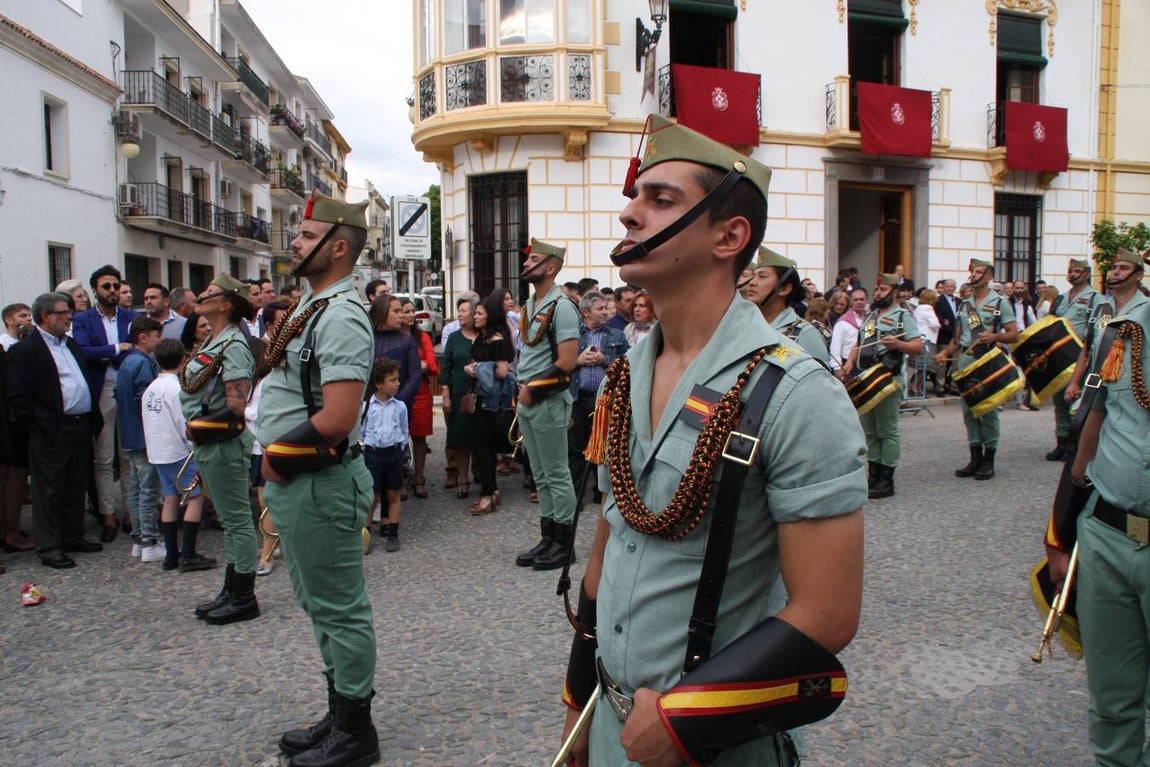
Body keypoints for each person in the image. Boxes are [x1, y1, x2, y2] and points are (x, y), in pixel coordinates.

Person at [560, 114, 865, 766]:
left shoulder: (796, 391)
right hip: (613, 720)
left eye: (660, 198)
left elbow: (829, 612)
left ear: (730, 236)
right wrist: (578, 687)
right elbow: (611, 541)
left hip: (710, 743)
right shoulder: (629, 370)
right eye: (636, 196)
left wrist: (682, 721)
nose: (629, 214)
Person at [258, 192, 379, 766]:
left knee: (339, 607)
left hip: (317, 478)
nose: (295, 242)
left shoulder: (342, 314)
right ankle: (339, 710)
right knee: (316, 601)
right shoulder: (313, 306)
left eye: (306, 237)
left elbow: (337, 418)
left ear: (336, 246)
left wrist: (277, 455)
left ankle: (356, 732)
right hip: (298, 478)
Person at [1054, 248, 1150, 767]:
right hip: (1108, 533)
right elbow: (1092, 423)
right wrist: (1064, 531)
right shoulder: (1125, 329)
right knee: (1111, 699)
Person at [179, 274, 260, 625]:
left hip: (221, 443)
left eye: (209, 293)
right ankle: (231, 589)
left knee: (237, 521)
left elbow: (236, 406)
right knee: (230, 520)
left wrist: (198, 426)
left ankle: (244, 595)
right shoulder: (215, 340)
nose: (200, 295)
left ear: (226, 303)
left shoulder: (233, 345)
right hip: (210, 443)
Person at [6, 292, 103, 569]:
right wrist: (40, 426)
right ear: (46, 316)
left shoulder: (70, 345)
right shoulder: (26, 350)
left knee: (75, 485)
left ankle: (73, 536)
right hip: (51, 430)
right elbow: (18, 398)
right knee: (48, 490)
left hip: (80, 425)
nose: (70, 316)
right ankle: (48, 546)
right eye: (63, 312)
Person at [514, 238, 579, 572]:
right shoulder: (530, 305)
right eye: (527, 260)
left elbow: (567, 361)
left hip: (548, 400)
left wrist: (533, 391)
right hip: (528, 398)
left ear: (551, 267)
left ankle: (564, 546)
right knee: (540, 475)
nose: (526, 264)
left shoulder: (562, 306)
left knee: (556, 473)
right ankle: (548, 538)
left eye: (534, 259)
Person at [933, 258, 1018, 480]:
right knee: (969, 411)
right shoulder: (964, 304)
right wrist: (945, 353)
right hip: (966, 362)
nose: (973, 275)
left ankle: (989, 459)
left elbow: (1014, 333)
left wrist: (996, 336)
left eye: (979, 272)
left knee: (987, 411)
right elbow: (958, 338)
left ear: (989, 277)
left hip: (987, 362)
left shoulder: (1000, 303)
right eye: (972, 271)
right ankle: (975, 457)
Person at [71, 265, 138, 543]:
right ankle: (107, 515)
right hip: (102, 388)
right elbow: (83, 351)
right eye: (106, 286)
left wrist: (120, 352)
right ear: (95, 289)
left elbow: (138, 348)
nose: (112, 291)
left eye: (115, 286)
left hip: (128, 387)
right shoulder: (84, 320)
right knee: (103, 456)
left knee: (128, 454)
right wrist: (115, 350)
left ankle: (130, 513)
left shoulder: (131, 318)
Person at [843, 274, 922, 498]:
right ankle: (874, 475)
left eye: (883, 289)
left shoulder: (902, 317)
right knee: (870, 430)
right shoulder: (871, 317)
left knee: (887, 430)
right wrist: (849, 362)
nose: (878, 293)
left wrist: (898, 344)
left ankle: (887, 478)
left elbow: (917, 346)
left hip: (888, 379)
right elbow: (859, 342)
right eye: (876, 289)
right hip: (868, 378)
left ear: (894, 293)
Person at [142, 338, 214, 572]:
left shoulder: (151, 389)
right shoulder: (177, 389)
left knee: (170, 498)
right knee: (195, 497)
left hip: (158, 451)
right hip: (178, 451)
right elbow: (183, 422)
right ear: (184, 360)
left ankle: (171, 554)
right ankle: (189, 553)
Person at [567, 290, 628, 507]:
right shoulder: (572, 335)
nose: (606, 312)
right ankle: (575, 496)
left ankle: (600, 493)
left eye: (606, 308)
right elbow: (558, 363)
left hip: (604, 400)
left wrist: (605, 359)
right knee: (575, 448)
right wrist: (577, 360)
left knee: (603, 446)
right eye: (600, 309)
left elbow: (626, 366)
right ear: (585, 312)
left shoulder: (616, 336)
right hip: (577, 398)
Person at [114, 316, 164, 562]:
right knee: (147, 489)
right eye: (157, 336)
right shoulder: (142, 363)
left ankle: (138, 539)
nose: (160, 340)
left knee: (135, 487)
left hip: (129, 432)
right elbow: (145, 398)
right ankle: (149, 541)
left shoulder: (126, 363)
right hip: (143, 433)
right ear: (143, 337)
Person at [1046, 258, 1106, 461]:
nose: (1072, 274)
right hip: (1059, 357)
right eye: (1070, 271)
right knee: (1059, 401)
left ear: (1087, 274)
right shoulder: (1061, 299)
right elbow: (1049, 323)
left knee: (1077, 401)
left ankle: (1076, 443)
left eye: (1077, 271)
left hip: (1079, 356)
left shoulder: (1095, 299)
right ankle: (1061, 441)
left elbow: (1099, 328)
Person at [464, 292, 517, 516]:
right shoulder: (480, 338)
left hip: (492, 401)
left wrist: (477, 369)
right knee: (481, 446)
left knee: (485, 446)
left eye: (479, 313)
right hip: (479, 398)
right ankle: (490, 489)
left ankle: (489, 491)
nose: (475, 317)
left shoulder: (499, 340)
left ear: (490, 315)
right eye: (475, 313)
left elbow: (503, 371)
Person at [746, 248, 832, 367]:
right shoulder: (745, 326)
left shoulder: (804, 334)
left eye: (762, 276)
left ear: (785, 289)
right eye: (753, 276)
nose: (752, 282)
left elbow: (820, 382)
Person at [362, 358, 407, 551]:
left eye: (397, 379)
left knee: (394, 493)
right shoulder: (366, 407)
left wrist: (400, 447)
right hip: (373, 454)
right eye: (392, 380)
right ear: (378, 383)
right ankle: (365, 535)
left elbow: (404, 431)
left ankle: (393, 534)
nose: (397, 383)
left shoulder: (400, 406)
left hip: (393, 453)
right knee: (371, 496)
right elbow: (361, 432)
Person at [399, 297, 438, 500]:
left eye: (412, 311)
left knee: (420, 437)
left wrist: (410, 367)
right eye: (405, 311)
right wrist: (417, 365)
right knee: (397, 437)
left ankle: (419, 478)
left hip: (421, 392)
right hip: (396, 391)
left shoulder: (422, 337)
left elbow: (431, 365)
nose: (410, 315)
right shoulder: (393, 337)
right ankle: (401, 479)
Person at [440, 293, 479, 497]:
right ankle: (463, 480)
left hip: (482, 393)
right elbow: (445, 368)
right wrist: (445, 395)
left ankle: (484, 478)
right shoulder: (454, 337)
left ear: (474, 314)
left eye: (464, 311)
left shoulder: (484, 335)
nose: (459, 314)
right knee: (460, 440)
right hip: (458, 393)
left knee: (481, 438)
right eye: (459, 310)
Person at [830, 288, 867, 374]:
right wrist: (837, 368)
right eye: (856, 300)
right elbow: (835, 347)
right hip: (847, 365)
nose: (859, 302)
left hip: (865, 364)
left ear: (866, 301)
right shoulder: (842, 322)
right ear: (851, 302)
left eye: (862, 299)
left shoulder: (870, 319)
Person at [913, 288, 942, 396]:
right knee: (927, 364)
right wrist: (940, 325)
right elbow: (934, 323)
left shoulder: (918, 308)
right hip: (928, 338)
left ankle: (918, 386)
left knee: (922, 365)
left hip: (921, 337)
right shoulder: (928, 308)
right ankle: (915, 385)